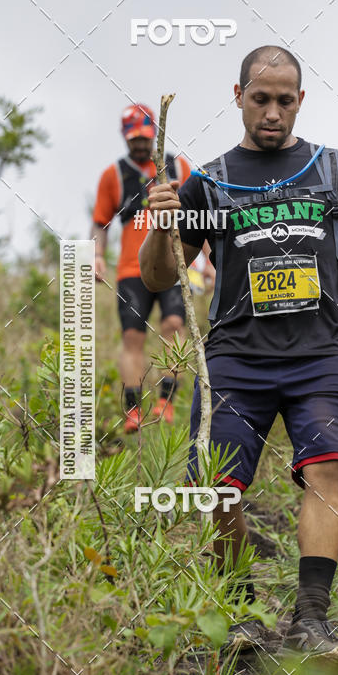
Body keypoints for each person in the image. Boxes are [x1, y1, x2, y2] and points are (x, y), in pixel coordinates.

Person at [139, 47, 338, 660]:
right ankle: (239, 613)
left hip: (322, 358)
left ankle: (311, 620)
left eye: (284, 100)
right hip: (237, 360)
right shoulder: (207, 181)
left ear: (300, 101)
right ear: (237, 96)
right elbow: (161, 277)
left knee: (327, 471)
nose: (273, 111)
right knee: (219, 488)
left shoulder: (334, 171)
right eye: (260, 98)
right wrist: (162, 225)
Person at [91, 103, 215, 433]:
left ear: (155, 134)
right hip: (131, 271)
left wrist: (207, 261)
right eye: (134, 139)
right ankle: (133, 410)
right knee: (132, 336)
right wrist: (97, 255)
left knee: (175, 325)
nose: (140, 144)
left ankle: (165, 402)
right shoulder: (113, 175)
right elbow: (99, 223)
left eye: (145, 138)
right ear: (124, 137)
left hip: (173, 265)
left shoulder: (178, 167)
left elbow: (198, 218)